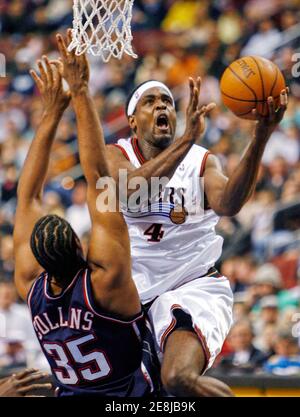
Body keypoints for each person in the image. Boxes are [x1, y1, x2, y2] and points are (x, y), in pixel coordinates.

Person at [105, 71, 288, 395]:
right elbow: (131, 193)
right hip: (133, 296)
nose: (162, 106)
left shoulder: (200, 160)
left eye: (167, 102)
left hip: (193, 286)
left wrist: (261, 135)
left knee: (178, 378)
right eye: (151, 101)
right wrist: (187, 139)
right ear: (132, 121)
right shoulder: (116, 154)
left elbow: (229, 203)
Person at [13, 36, 160, 397]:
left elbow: (27, 195)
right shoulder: (106, 282)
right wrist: (79, 91)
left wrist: (50, 113)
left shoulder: (30, 287)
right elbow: (97, 178)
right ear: (80, 244)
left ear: (37, 260)